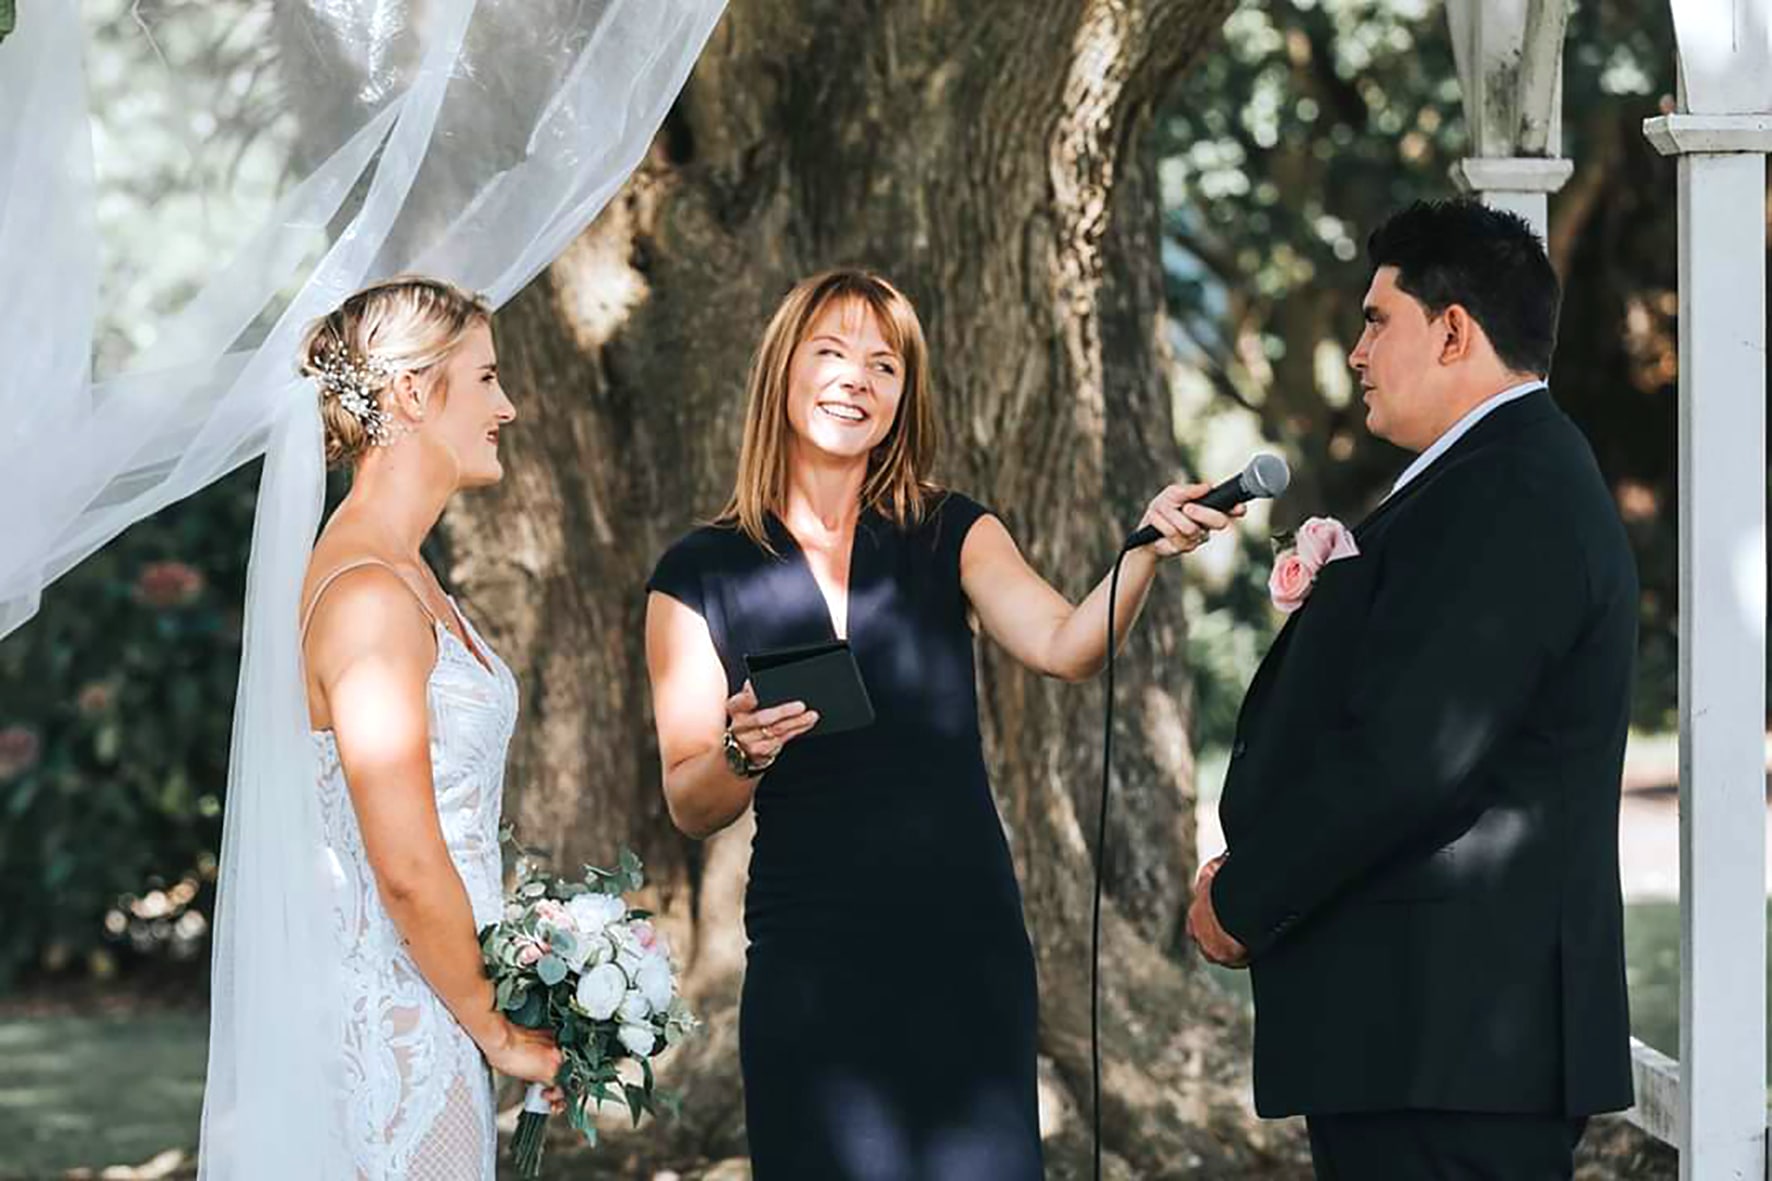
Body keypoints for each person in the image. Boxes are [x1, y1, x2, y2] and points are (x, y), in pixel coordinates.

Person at [644, 268, 1233, 1179]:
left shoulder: (951, 528)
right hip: (811, 958)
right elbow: (690, 798)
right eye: (832, 353)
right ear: (782, 372)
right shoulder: (698, 572)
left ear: (903, 397)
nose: (857, 380)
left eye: (885, 366)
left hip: (963, 941)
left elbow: (1067, 644)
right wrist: (740, 748)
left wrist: (1145, 550)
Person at [1187, 200, 1637, 1180]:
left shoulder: (1508, 489)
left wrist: (1245, 892)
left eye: (1372, 319)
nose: (1353, 351)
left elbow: (1410, 752)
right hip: (1421, 1040)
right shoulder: (1478, 478)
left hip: (1453, 1045)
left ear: (1450, 329)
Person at [296, 277, 563, 1178]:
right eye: (487, 379)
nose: (510, 406)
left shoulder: (406, 573)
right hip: (394, 1022)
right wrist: (498, 1031)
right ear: (412, 391)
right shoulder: (369, 594)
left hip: (434, 993)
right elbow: (406, 865)